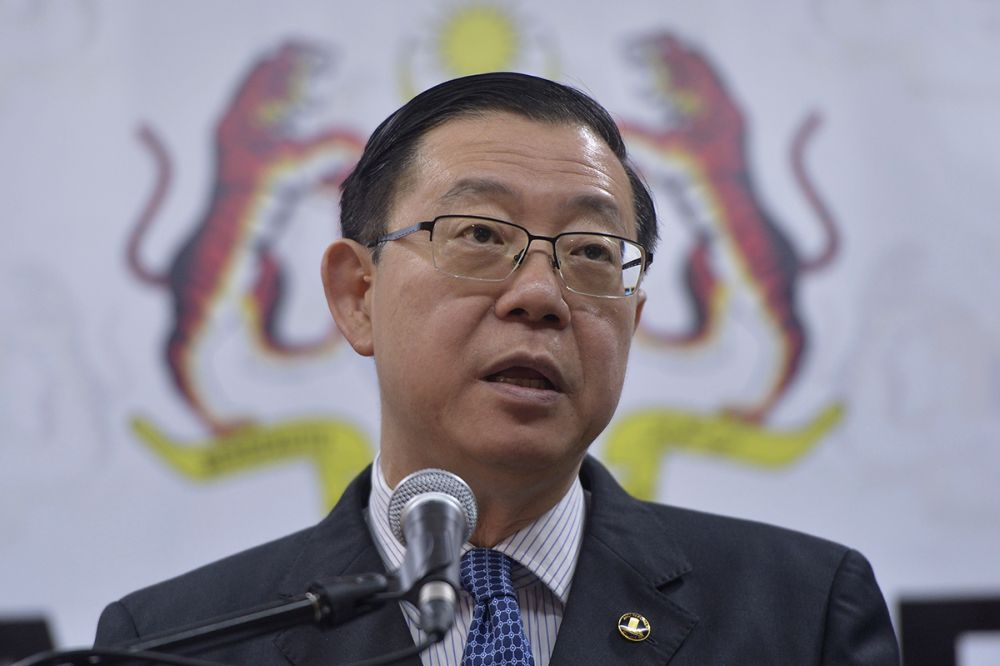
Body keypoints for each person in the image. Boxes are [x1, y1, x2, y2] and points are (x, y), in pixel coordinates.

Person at [95, 72, 900, 665]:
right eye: (480, 236)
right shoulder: (176, 643)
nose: (541, 296)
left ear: (634, 319)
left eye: (592, 253)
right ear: (357, 295)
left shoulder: (803, 613)